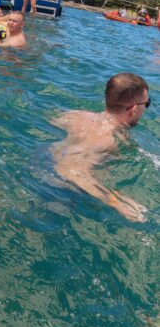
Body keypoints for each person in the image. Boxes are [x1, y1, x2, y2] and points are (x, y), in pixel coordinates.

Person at [52, 73, 150, 223]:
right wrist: (115, 201)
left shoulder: (75, 116)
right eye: (147, 103)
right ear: (134, 109)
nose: (146, 108)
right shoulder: (107, 138)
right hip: (59, 192)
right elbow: (69, 171)